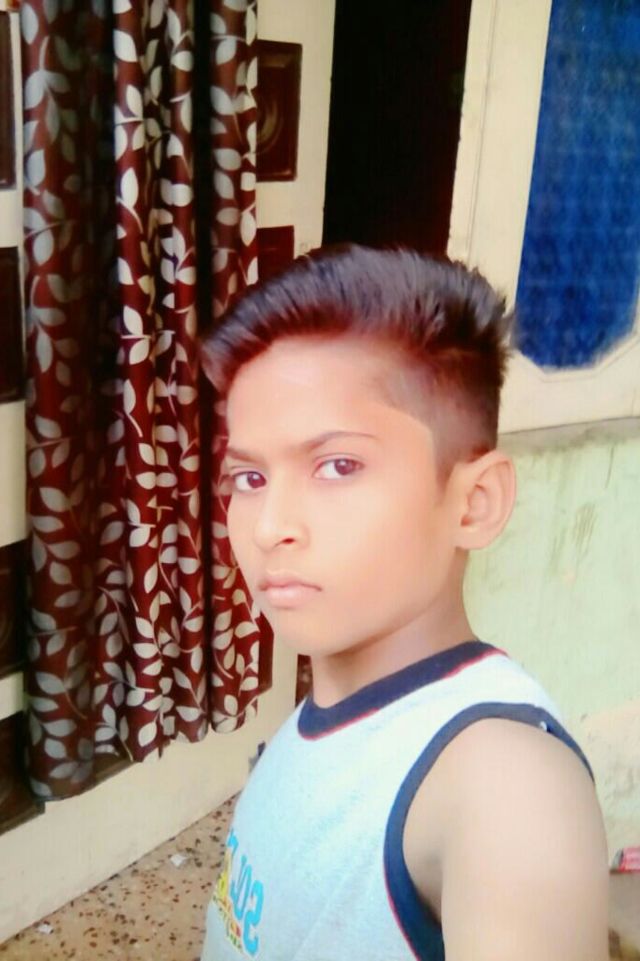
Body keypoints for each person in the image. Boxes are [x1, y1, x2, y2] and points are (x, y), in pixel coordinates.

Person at [198, 245, 609, 961]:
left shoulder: (504, 785)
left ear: (474, 503)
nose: (269, 527)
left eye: (338, 465)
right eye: (249, 478)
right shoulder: (333, 715)